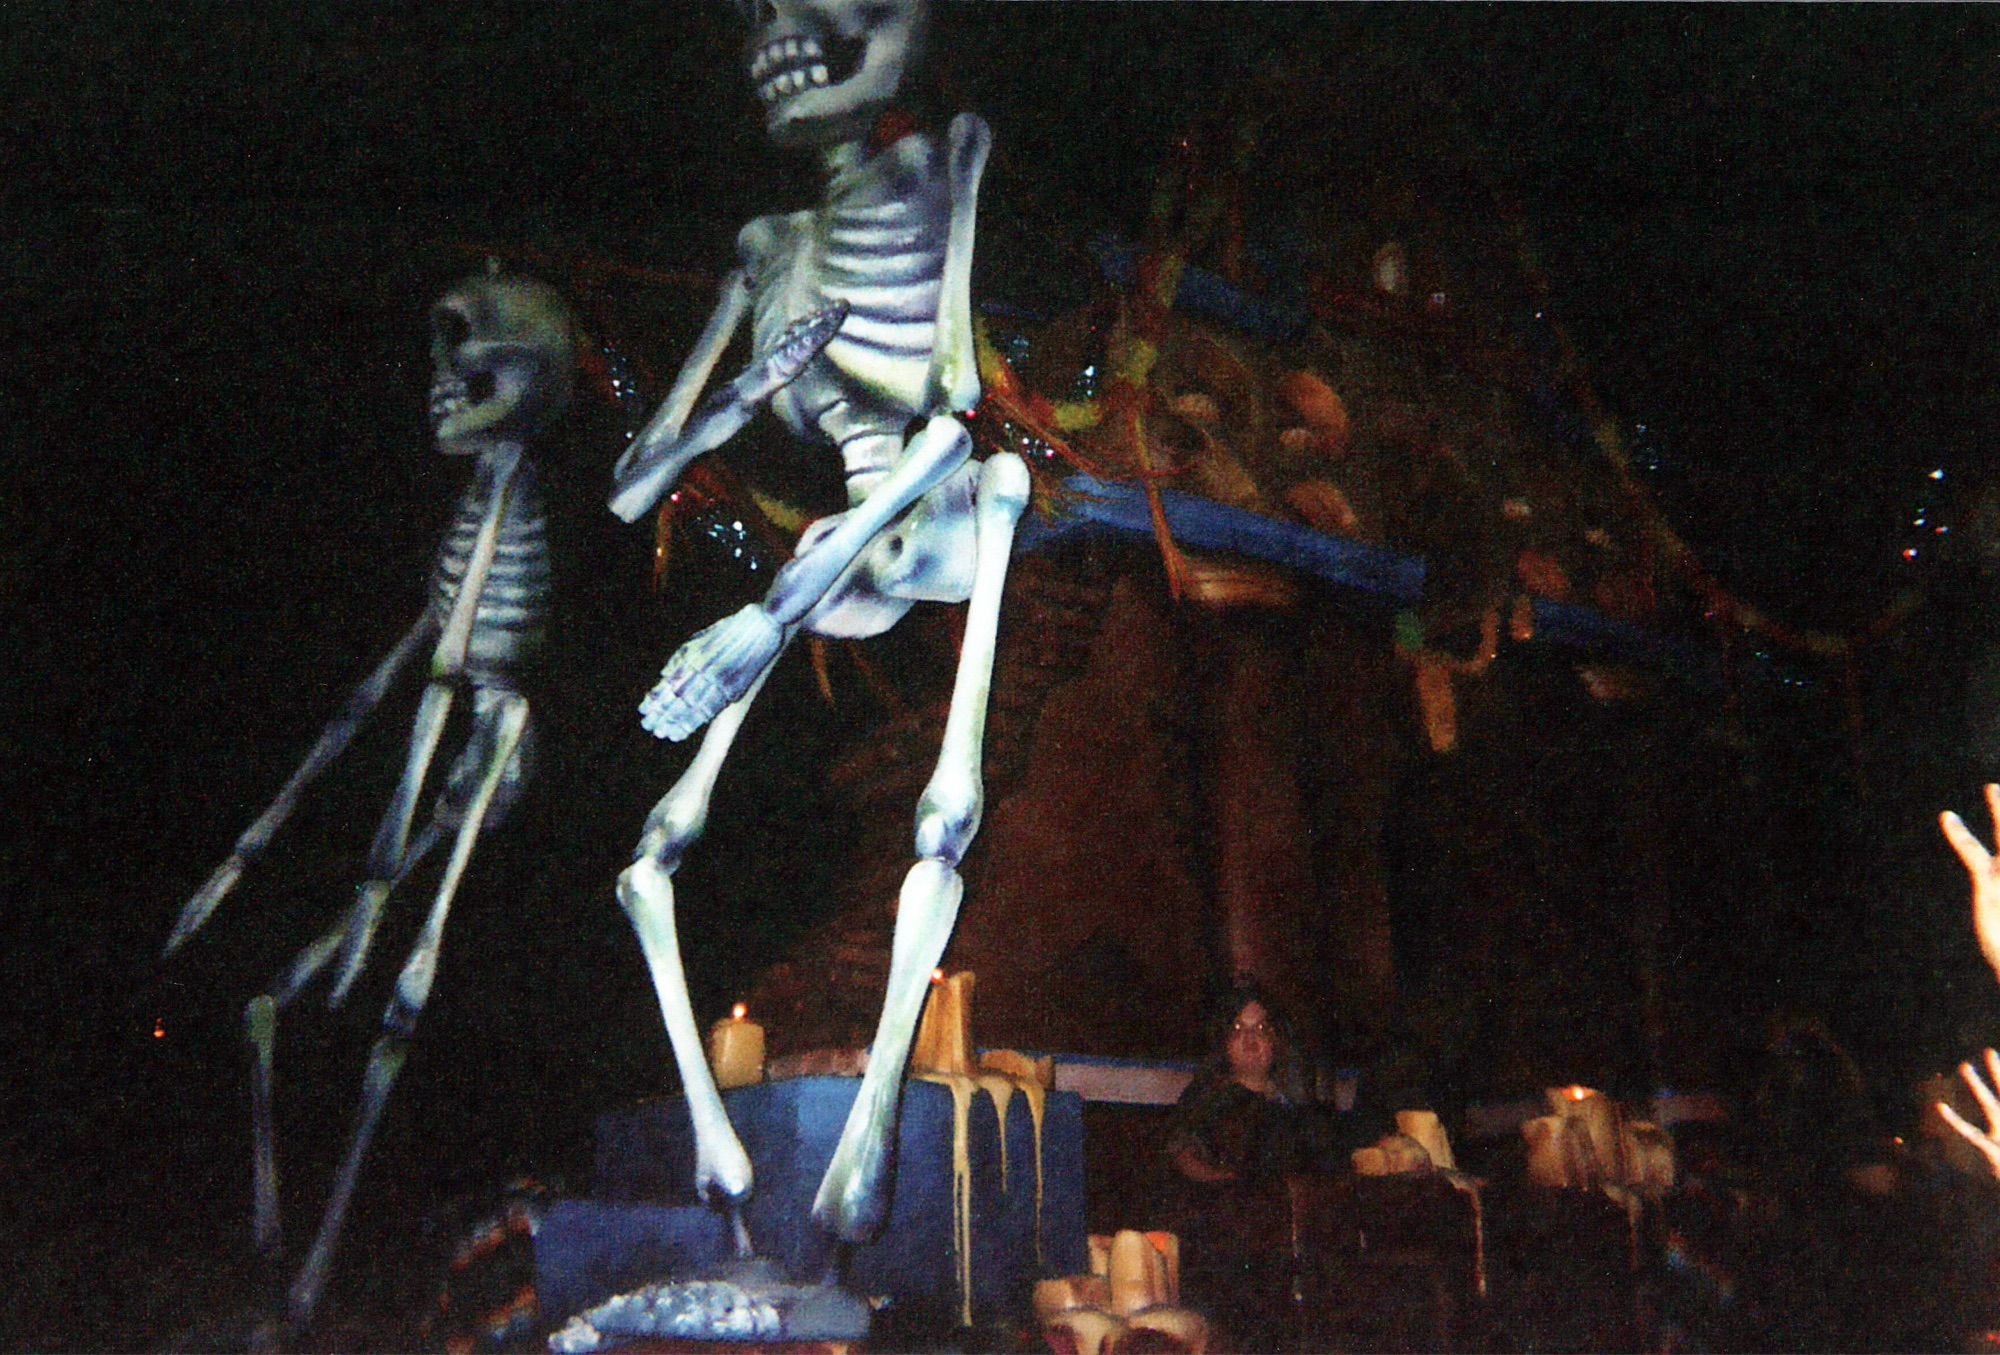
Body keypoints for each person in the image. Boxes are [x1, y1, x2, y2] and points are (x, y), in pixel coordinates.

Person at [1160, 984, 1311, 1347]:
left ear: (1277, 1040)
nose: (1250, 1040)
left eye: (1260, 1030)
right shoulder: (1207, 1099)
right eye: (1239, 1030)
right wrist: (1225, 1184)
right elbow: (1183, 1153)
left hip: (1287, 1249)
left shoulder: (1296, 1109)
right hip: (1225, 1245)